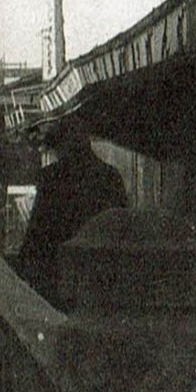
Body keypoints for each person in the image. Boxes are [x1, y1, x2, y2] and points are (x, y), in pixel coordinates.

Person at [14, 114, 127, 301]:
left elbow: (37, 235)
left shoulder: (52, 178)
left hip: (60, 279)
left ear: (61, 147)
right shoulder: (111, 177)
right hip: (102, 281)